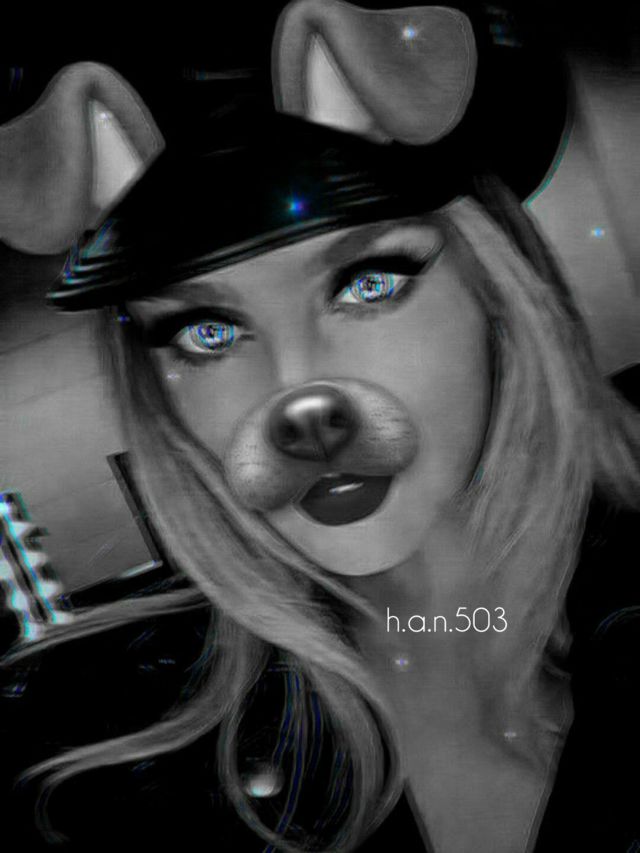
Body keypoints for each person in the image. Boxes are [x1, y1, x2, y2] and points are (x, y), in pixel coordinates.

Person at [1, 2, 639, 851]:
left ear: (497, 290)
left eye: (368, 284)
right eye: (207, 332)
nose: (299, 401)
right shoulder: (86, 748)